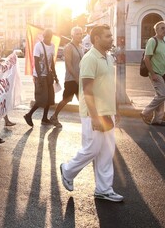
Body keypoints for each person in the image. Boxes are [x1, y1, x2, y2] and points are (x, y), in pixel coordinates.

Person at [59, 25, 123, 203]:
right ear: (96, 39)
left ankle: (104, 189)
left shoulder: (108, 58)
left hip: (107, 111)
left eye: (111, 35)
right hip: (93, 113)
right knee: (92, 149)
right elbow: (87, 89)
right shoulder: (90, 58)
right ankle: (68, 170)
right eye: (108, 36)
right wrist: (94, 117)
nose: (111, 39)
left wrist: (115, 109)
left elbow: (110, 86)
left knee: (107, 151)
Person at [23, 29, 58, 127]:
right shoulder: (38, 46)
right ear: (43, 36)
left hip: (48, 75)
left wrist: (55, 75)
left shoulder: (52, 46)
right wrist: (39, 78)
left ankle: (44, 118)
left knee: (50, 98)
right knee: (41, 98)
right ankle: (28, 115)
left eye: (49, 36)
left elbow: (52, 63)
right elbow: (36, 62)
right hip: (40, 76)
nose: (48, 38)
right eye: (46, 36)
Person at [50, 26, 83, 128]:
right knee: (66, 100)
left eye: (81, 33)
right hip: (71, 79)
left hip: (79, 79)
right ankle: (54, 116)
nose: (79, 35)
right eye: (77, 34)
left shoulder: (80, 47)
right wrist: (76, 78)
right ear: (72, 35)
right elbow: (68, 65)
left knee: (83, 100)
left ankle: (89, 121)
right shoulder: (68, 47)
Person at [141, 21, 165, 126]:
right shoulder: (152, 41)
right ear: (156, 30)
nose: (164, 30)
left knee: (160, 96)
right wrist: (152, 74)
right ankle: (145, 112)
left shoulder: (163, 42)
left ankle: (157, 119)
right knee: (163, 95)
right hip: (155, 72)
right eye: (162, 28)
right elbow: (146, 58)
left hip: (162, 72)